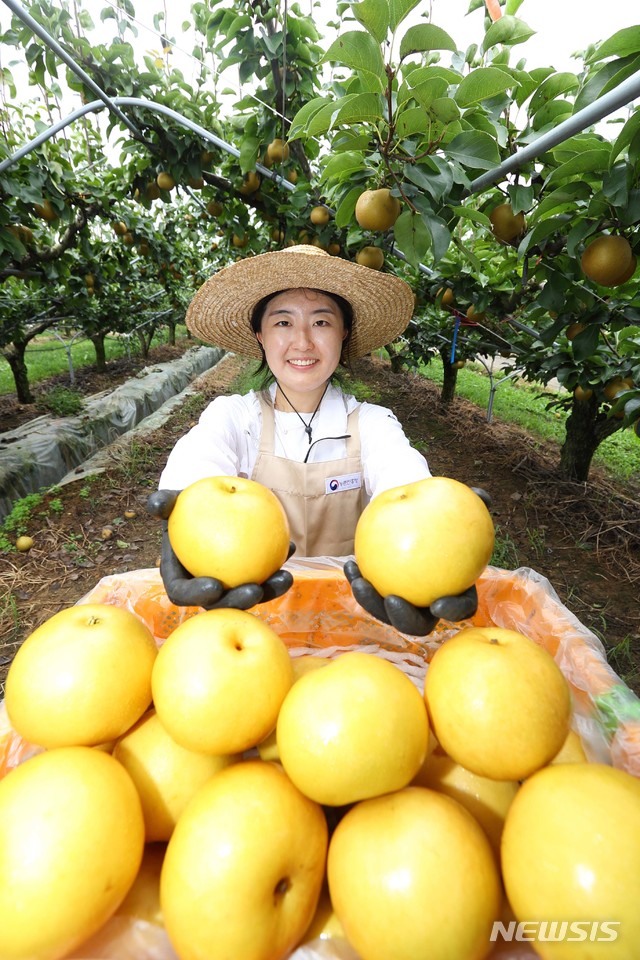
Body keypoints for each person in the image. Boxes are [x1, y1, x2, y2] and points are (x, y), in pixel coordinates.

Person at [147, 244, 481, 635]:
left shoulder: (372, 424)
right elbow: (199, 463)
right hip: (252, 626)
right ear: (260, 335)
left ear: (343, 333)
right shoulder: (236, 418)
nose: (302, 342)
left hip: (353, 624)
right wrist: (188, 519)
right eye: (283, 323)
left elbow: (404, 482)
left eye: (321, 323)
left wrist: (438, 532)